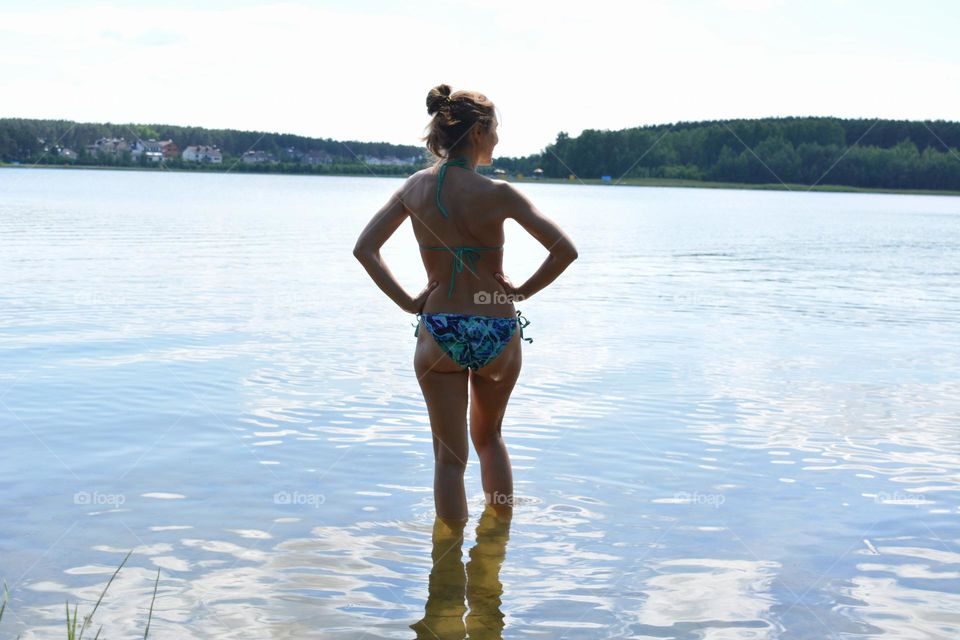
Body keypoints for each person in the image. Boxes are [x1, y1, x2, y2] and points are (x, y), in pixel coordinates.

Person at [353, 83, 578, 523]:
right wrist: (521, 291)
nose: (497, 139)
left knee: (448, 460)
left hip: (439, 331)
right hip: (496, 328)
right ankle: (496, 551)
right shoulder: (500, 194)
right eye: (494, 130)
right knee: (490, 439)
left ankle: (448, 569)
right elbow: (564, 250)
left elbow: (365, 248)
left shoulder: (415, 189)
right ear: (477, 133)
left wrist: (406, 301)